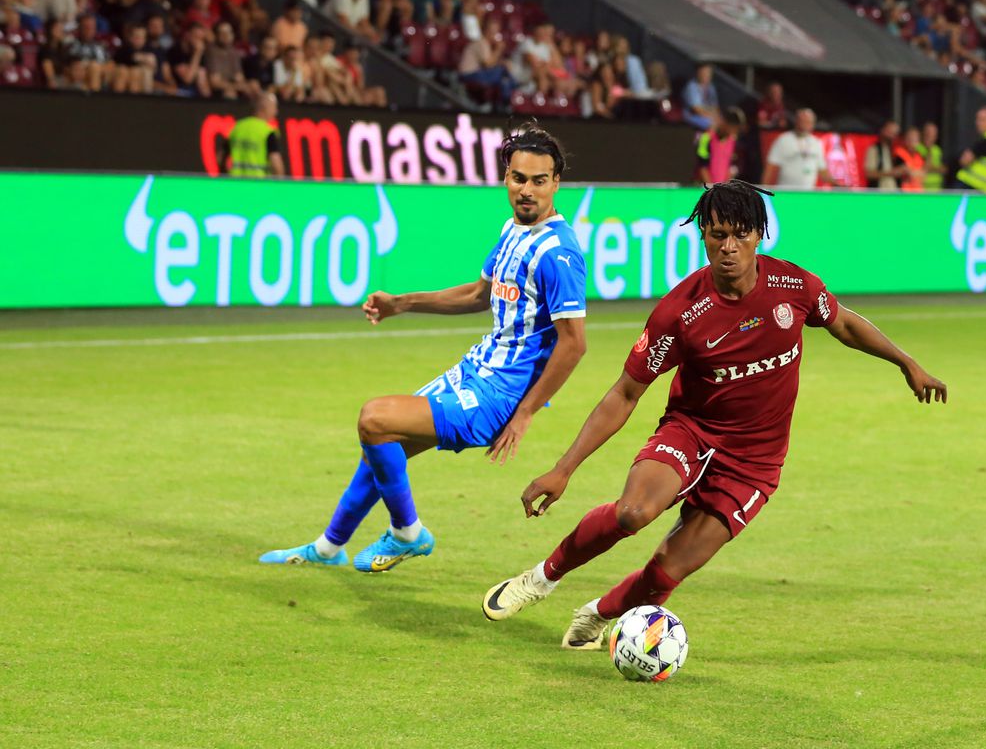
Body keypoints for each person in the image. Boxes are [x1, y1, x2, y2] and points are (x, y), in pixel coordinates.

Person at [481, 180, 946, 646]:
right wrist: (564, 470)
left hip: (754, 463)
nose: (728, 247)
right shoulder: (679, 313)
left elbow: (843, 321)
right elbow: (625, 393)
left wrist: (907, 363)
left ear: (759, 235)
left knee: (668, 571)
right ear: (703, 234)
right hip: (692, 433)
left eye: (740, 235)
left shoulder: (795, 286)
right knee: (633, 513)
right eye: (717, 234)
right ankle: (541, 578)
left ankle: (600, 614)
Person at [260, 125, 589, 572]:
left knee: (375, 419)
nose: (526, 190)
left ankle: (407, 533)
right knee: (382, 447)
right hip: (475, 370)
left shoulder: (559, 252)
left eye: (538, 180)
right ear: (506, 177)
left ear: (556, 183)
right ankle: (328, 548)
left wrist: (526, 412)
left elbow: (574, 344)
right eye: (517, 178)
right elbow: (479, 294)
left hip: (499, 397)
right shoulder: (513, 229)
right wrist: (402, 303)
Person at [762, 108, 837, 189]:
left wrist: (839, 185)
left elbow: (823, 172)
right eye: (802, 121)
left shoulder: (816, 143)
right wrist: (763, 191)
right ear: (796, 122)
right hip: (786, 192)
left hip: (807, 195)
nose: (804, 125)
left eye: (807, 122)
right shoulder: (783, 140)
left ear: (812, 124)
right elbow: (770, 169)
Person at [216, 91, 283, 176]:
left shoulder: (237, 127)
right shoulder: (268, 132)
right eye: (274, 108)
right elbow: (277, 166)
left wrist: (226, 176)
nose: (276, 112)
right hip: (258, 184)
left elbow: (220, 158)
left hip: (235, 183)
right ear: (264, 108)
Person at [695, 107, 744, 185]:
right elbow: (702, 166)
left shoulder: (734, 142)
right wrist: (711, 188)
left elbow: (733, 167)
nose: (734, 132)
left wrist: (724, 187)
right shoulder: (705, 138)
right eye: (733, 128)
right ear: (725, 123)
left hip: (723, 189)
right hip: (704, 188)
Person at [864, 119, 901, 189]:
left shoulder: (896, 151)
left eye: (895, 134)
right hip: (879, 193)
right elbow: (868, 174)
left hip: (894, 193)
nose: (892, 136)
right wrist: (891, 173)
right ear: (882, 131)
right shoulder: (874, 149)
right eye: (889, 132)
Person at [681, 63, 719, 130]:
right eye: (704, 73)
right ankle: (704, 140)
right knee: (712, 124)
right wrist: (713, 118)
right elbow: (697, 110)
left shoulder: (711, 87)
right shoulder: (691, 87)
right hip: (691, 116)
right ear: (698, 73)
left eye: (708, 73)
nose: (706, 75)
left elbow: (715, 106)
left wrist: (717, 117)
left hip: (707, 115)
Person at [892, 126, 926, 191]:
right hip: (903, 192)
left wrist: (912, 172)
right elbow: (897, 171)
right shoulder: (899, 153)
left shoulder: (920, 155)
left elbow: (924, 174)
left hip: (918, 192)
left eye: (913, 139)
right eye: (908, 138)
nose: (910, 141)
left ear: (919, 141)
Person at [915, 121, 945, 191]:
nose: (929, 135)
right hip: (922, 187)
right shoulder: (917, 148)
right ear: (923, 133)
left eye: (932, 133)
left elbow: (944, 169)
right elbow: (925, 168)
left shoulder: (937, 149)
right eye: (927, 132)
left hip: (937, 187)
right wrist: (928, 151)